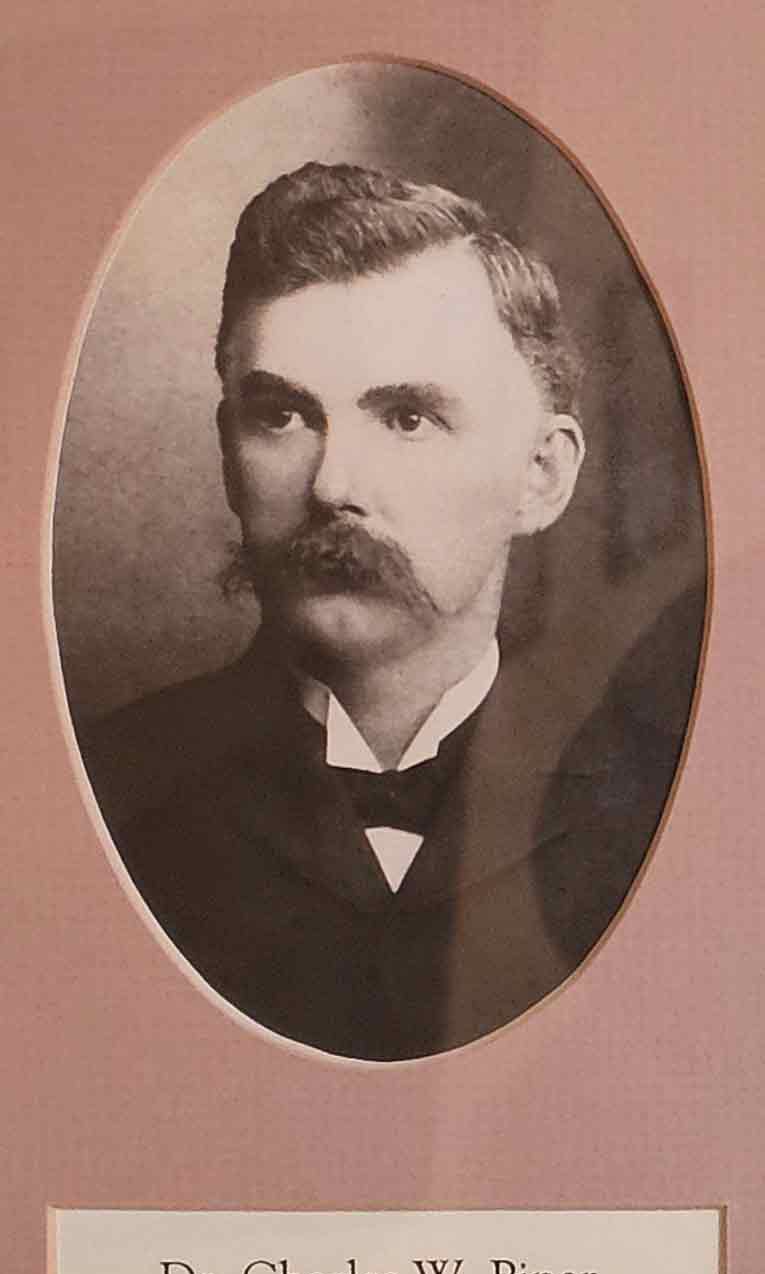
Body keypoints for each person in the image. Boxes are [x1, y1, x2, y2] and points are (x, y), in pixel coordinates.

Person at [80, 162, 682, 1060]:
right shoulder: (105, 791)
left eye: (406, 417)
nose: (332, 485)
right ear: (227, 453)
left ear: (542, 475)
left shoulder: (667, 807)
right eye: (282, 416)